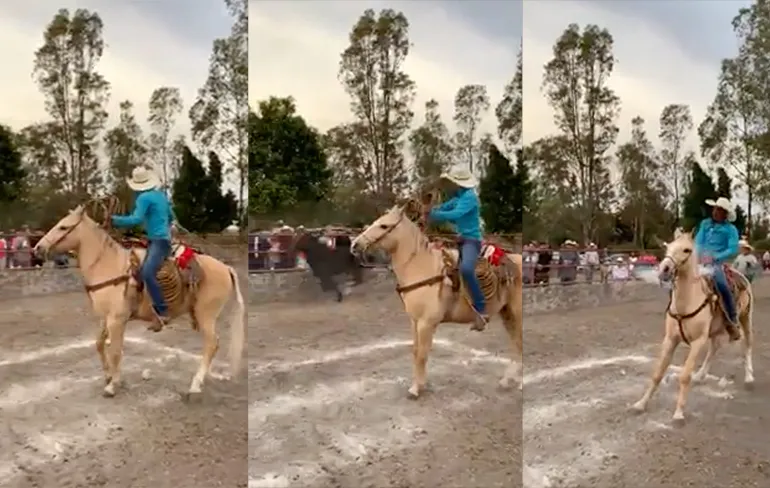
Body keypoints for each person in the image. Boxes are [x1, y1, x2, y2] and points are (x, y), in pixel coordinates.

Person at [111, 166, 175, 331]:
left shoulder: (144, 198)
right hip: (161, 240)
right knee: (136, 270)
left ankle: (162, 311)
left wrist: (114, 220)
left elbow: (135, 219)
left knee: (147, 272)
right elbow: (171, 217)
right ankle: (138, 307)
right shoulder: (161, 196)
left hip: (158, 241)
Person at [427, 168, 487, 332]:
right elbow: (445, 207)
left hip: (471, 241)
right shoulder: (459, 196)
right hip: (459, 240)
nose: (450, 185)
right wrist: (429, 209)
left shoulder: (470, 198)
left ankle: (481, 308)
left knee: (466, 269)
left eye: (452, 182)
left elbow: (455, 214)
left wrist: (433, 214)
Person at [695, 197, 741, 341]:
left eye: (719, 210)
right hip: (699, 260)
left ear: (725, 214)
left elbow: (732, 249)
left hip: (717, 264)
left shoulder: (730, 229)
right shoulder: (705, 224)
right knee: (679, 279)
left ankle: (732, 321)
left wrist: (715, 257)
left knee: (722, 285)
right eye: (715, 209)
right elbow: (698, 241)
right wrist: (698, 254)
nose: (715, 212)